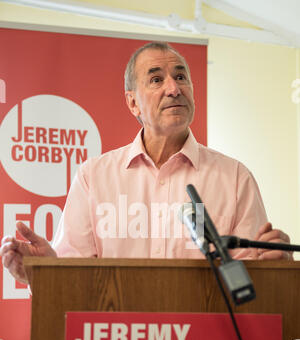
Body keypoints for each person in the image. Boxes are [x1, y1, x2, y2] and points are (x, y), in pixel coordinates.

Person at [0, 42, 292, 285]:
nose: (174, 89)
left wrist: (277, 269)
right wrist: (42, 271)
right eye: (156, 79)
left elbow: (250, 281)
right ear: (132, 103)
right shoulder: (94, 177)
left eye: (181, 77)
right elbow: (72, 278)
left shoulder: (235, 178)